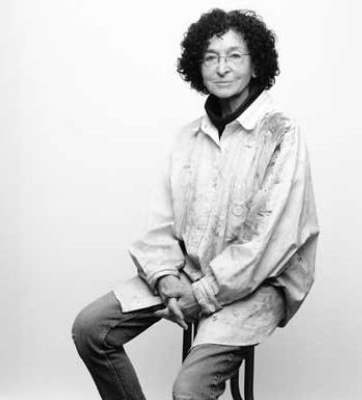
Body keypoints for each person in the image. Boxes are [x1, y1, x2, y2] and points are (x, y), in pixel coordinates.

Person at [71, 8, 319, 400]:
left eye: (235, 56)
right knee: (90, 330)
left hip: (255, 285)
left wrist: (201, 296)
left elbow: (267, 242)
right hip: (186, 273)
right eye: (210, 57)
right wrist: (166, 278)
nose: (222, 68)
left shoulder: (281, 134)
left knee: (188, 391)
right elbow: (160, 224)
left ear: (256, 66)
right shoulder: (187, 138)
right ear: (197, 66)